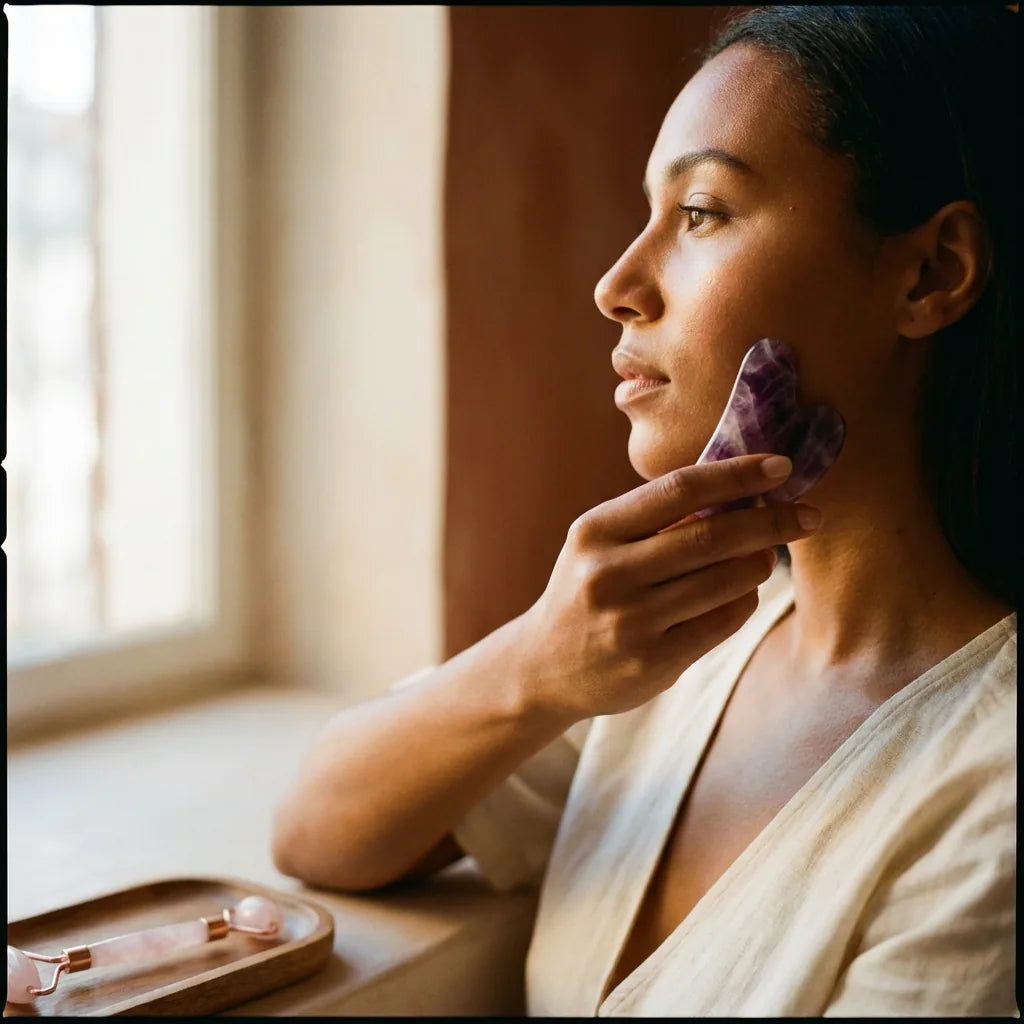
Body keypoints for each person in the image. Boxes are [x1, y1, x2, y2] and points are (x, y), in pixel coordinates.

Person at [271, 6, 1018, 1016]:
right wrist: (535, 663)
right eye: (647, 213)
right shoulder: (683, 649)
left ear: (931, 274)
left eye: (702, 211)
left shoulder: (992, 790)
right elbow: (320, 831)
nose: (616, 284)